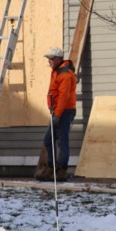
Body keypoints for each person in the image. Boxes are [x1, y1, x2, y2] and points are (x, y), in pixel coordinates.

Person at [41, 47, 77, 182]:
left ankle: (61, 171)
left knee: (62, 141)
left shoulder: (64, 75)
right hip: (58, 111)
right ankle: (52, 168)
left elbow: (64, 97)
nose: (49, 61)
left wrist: (57, 115)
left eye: (51, 58)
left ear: (58, 59)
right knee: (49, 140)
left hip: (64, 111)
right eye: (48, 58)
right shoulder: (57, 71)